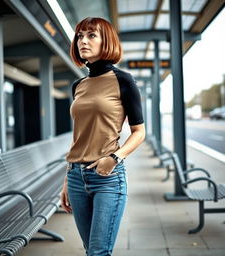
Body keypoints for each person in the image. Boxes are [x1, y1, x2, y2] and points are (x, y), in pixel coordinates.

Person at [61, 17, 145, 256]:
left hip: (107, 176)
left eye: (91, 35)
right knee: (91, 250)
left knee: (98, 252)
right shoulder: (78, 85)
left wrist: (115, 158)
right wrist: (67, 179)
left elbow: (139, 132)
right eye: (80, 36)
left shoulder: (123, 81)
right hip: (76, 176)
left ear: (105, 40)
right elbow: (79, 136)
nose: (83, 41)